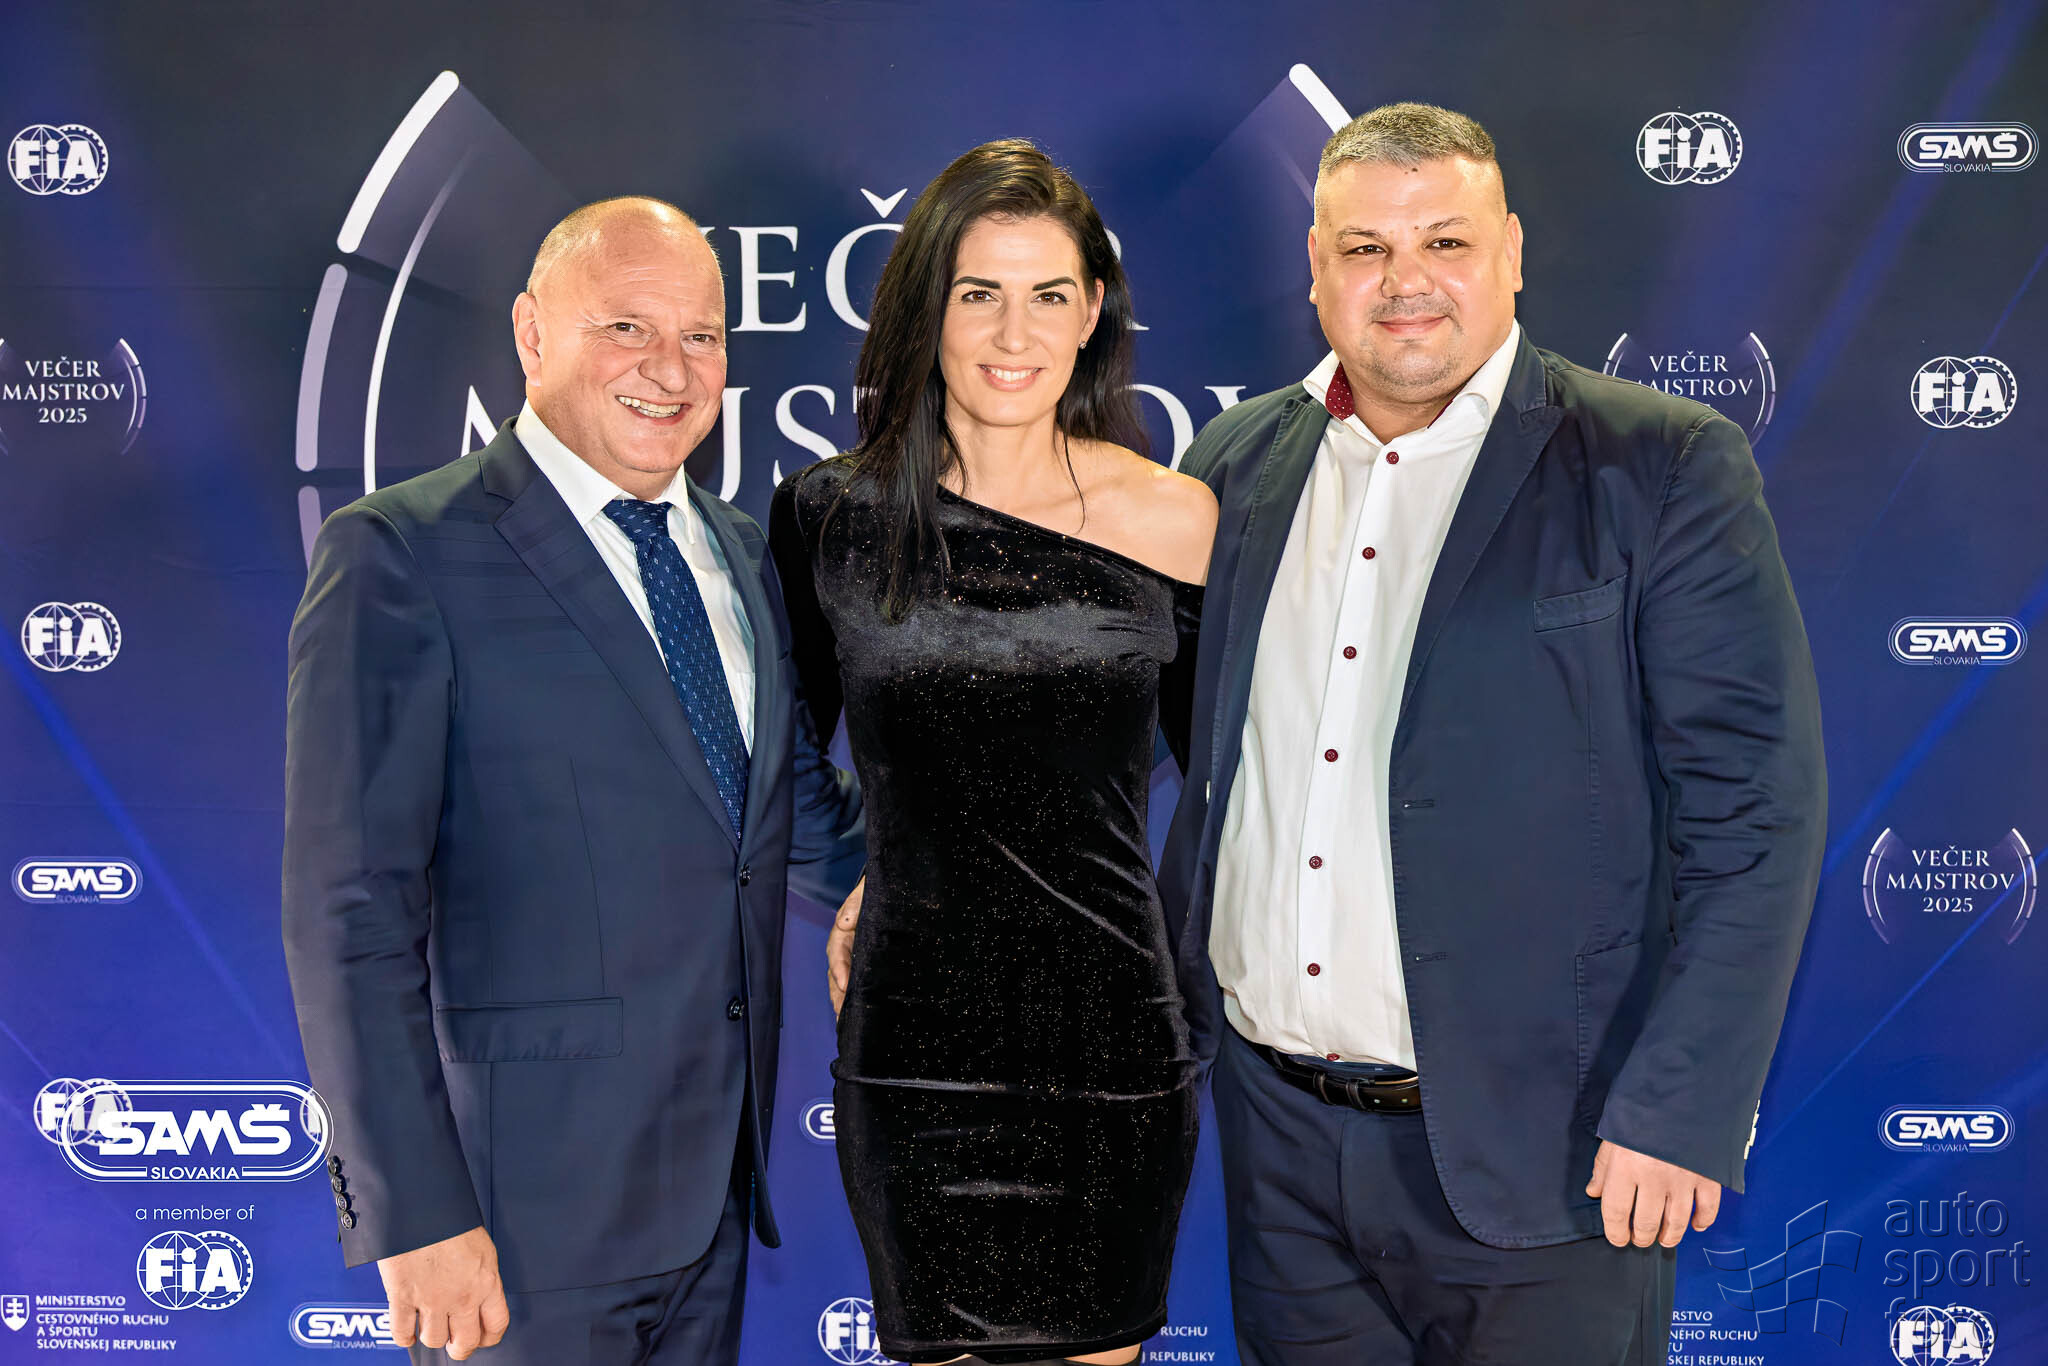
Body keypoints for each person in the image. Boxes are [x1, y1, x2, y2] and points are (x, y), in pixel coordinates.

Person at [1146, 101, 1829, 1364]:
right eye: (1364, 248)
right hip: (1278, 1150)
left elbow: (1754, 813)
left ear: (1508, 253)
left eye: (1444, 242)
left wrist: (1678, 1106)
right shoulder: (1233, 463)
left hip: (1551, 1152)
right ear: (1314, 268)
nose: (1403, 281)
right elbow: (1170, 747)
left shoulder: (1657, 463)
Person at [282, 196, 864, 1366]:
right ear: (531, 333)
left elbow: (783, 805)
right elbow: (348, 909)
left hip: (713, 1194)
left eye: (701, 336)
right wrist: (415, 1215)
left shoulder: (740, 550)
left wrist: (960, 875)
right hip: (515, 1219)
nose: (670, 369)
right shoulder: (403, 551)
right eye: (625, 327)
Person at [771, 140, 1218, 1366]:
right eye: (978, 292)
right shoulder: (828, 515)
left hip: (1110, 1040)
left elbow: (1232, 780)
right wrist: (867, 874)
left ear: (1092, 313)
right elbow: (777, 764)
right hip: (914, 1049)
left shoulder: (1175, 518)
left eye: (1047, 294)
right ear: (927, 307)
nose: (1012, 333)